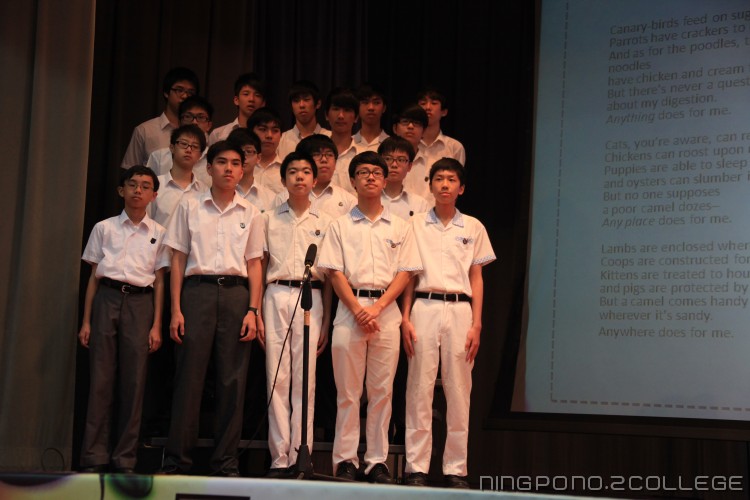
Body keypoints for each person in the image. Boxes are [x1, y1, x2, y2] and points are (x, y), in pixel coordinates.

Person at [159, 141, 264, 477]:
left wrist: (253, 310)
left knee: (233, 381)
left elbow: (255, 264)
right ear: (209, 168)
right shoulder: (189, 206)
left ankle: (226, 462)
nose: (229, 169)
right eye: (222, 162)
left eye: (235, 163)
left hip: (236, 296)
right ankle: (177, 460)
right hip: (197, 292)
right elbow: (177, 258)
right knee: (189, 378)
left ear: (243, 169)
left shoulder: (251, 212)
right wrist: (176, 309)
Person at [317, 151, 422, 484]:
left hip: (386, 313)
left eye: (377, 172)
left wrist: (376, 308)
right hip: (349, 311)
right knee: (348, 393)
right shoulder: (339, 225)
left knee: (381, 391)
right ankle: (345, 460)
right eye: (363, 172)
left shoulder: (401, 226)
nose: (371, 177)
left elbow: (406, 273)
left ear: (385, 179)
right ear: (352, 181)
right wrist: (358, 309)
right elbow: (334, 272)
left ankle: (377, 461)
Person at [401, 159, 495, 489]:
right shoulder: (415, 224)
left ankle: (456, 468)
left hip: (460, 310)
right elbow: (409, 275)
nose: (444, 184)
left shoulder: (473, 227)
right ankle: (416, 467)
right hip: (424, 306)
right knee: (419, 388)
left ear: (461, 188)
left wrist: (477, 324)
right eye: (439, 178)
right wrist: (405, 318)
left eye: (451, 179)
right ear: (430, 185)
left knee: (459, 390)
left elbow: (477, 277)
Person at [78, 165, 168, 473]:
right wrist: (87, 320)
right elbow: (93, 276)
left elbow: (160, 281)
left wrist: (156, 324)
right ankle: (94, 456)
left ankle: (125, 458)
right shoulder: (104, 228)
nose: (138, 190)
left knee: (134, 382)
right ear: (121, 190)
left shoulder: (159, 233)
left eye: (145, 186)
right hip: (107, 297)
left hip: (141, 303)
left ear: (154, 195)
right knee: (100, 381)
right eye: (132, 184)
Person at [260, 151, 333, 477]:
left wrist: (326, 320)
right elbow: (261, 265)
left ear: (314, 179)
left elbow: (329, 275)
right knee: (277, 378)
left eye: (305, 171)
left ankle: (301, 456)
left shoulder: (326, 222)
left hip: (311, 296)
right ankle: (279, 458)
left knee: (306, 380)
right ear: (283, 178)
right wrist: (257, 312)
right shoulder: (268, 218)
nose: (299, 177)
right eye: (293, 171)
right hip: (275, 293)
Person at [121, 67, 200, 169]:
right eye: (179, 90)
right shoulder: (145, 131)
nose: (185, 96)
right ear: (166, 92)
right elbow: (130, 170)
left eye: (190, 93)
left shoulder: (199, 131)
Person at [272, 134, 356, 219]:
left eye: (329, 155)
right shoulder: (282, 198)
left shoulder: (349, 201)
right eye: (316, 154)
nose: (324, 160)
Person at [147, 96, 214, 187]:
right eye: (188, 116)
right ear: (179, 122)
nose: (194, 122)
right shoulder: (159, 157)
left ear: (209, 125)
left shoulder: (215, 159)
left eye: (201, 117)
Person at [148, 124, 208, 227]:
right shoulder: (155, 186)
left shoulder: (204, 191)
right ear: (172, 148)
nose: (188, 150)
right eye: (183, 144)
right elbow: (145, 223)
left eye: (194, 146)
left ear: (200, 156)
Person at [378, 136, 430, 220]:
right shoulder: (366, 199)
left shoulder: (420, 205)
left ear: (409, 166)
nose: (394, 165)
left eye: (401, 160)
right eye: (388, 159)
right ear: (379, 163)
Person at [276, 80, 331, 161]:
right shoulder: (280, 140)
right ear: (291, 106)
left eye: (306, 99)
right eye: (296, 101)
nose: (301, 105)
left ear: (318, 103)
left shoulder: (330, 137)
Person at [208, 72, 267, 145]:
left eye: (257, 95)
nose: (251, 99)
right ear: (236, 100)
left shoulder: (269, 137)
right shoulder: (218, 135)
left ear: (263, 103)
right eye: (246, 94)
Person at [227, 128, 275, 213]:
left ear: (258, 157)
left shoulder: (271, 198)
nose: (242, 157)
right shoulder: (217, 196)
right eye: (237, 151)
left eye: (248, 151)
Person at [416, 87, 466, 169]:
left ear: (444, 112)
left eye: (434, 103)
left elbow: (457, 176)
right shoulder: (408, 144)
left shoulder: (454, 147)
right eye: (423, 103)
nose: (427, 107)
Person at [391, 104, 431, 202]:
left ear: (424, 131)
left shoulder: (431, 164)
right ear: (395, 128)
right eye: (405, 122)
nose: (410, 126)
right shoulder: (383, 162)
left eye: (416, 123)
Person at [324, 88, 360, 195]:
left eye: (347, 110)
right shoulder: (315, 154)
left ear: (356, 117)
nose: (341, 116)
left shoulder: (363, 155)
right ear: (326, 115)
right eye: (336, 109)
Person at [247, 107, 285, 194]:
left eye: (275, 130)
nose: (269, 135)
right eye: (263, 129)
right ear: (251, 133)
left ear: (281, 135)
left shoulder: (285, 172)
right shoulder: (241, 169)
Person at [354, 83, 389, 152]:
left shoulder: (391, 145)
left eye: (376, 103)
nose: (371, 108)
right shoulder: (349, 143)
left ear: (384, 108)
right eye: (365, 102)